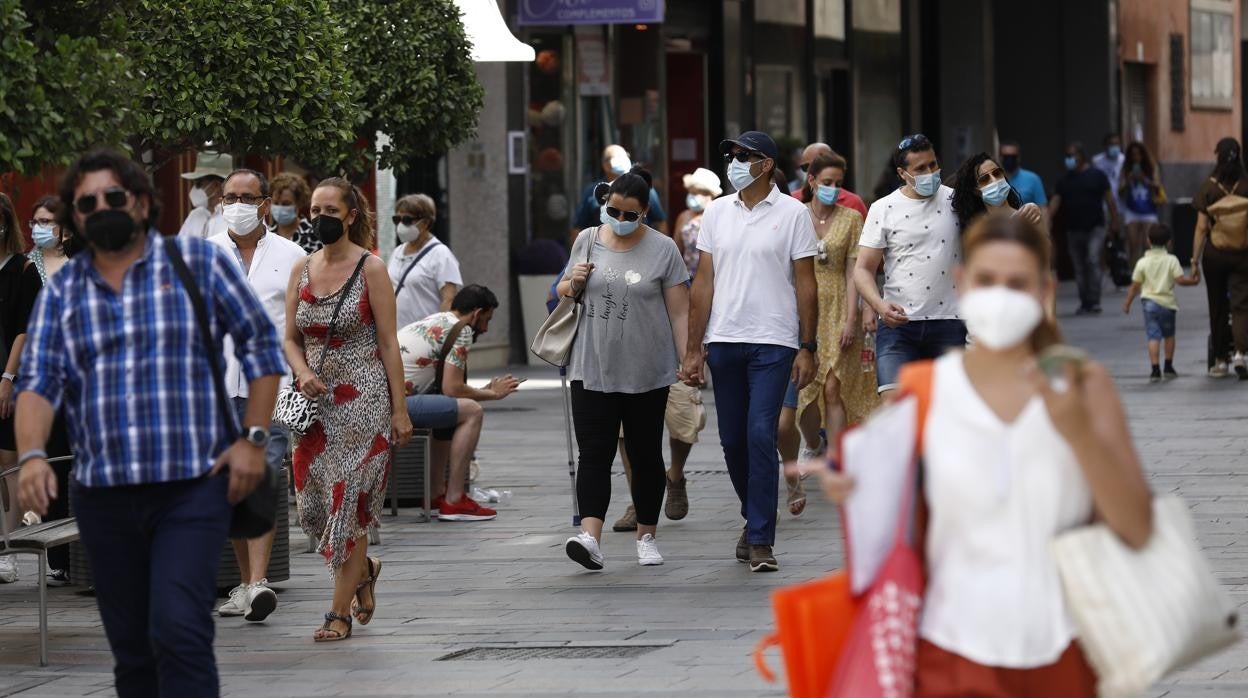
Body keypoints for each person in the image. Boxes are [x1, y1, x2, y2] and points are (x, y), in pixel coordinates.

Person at [822, 213, 1153, 697]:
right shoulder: (926, 390)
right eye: (987, 281)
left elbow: (1136, 525)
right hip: (950, 648)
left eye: (1017, 283)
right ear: (962, 284)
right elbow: (898, 530)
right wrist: (858, 487)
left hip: (1057, 643)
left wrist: (1077, 431)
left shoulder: (1081, 384)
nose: (1000, 295)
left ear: (1044, 289)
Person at [15, 149, 285, 696]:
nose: (101, 208)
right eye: (87, 202)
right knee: (133, 650)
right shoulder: (64, 291)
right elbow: (39, 382)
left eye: (113, 197)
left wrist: (254, 439)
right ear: (75, 216)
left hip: (191, 488)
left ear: (140, 202)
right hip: (104, 494)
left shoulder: (197, 265)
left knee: (179, 629)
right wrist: (32, 454)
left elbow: (261, 345)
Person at [283, 177, 413, 642]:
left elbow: (388, 342)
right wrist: (301, 372)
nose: (321, 218)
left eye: (331, 211)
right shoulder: (302, 267)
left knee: (349, 503)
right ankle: (364, 570)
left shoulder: (371, 268)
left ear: (351, 215)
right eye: (315, 209)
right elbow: (290, 339)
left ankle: (337, 613)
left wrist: (400, 411)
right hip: (314, 405)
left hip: (365, 399)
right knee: (314, 507)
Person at [683, 131, 818, 573]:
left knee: (762, 433)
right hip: (724, 339)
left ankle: (761, 537)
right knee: (731, 440)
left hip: (775, 341)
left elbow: (805, 283)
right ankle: (753, 514)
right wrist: (693, 348)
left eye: (744, 156)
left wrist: (807, 345)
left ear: (765, 165)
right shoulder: (717, 212)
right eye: (731, 155)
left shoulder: (794, 213)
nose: (734, 161)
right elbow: (703, 282)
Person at [558, 167, 689, 571]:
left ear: (644, 213)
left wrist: (690, 360)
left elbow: (680, 311)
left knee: (645, 453)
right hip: (591, 365)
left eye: (630, 214)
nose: (620, 218)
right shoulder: (588, 239)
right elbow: (563, 289)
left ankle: (646, 535)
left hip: (647, 369)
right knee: (594, 453)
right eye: (613, 209)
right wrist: (573, 281)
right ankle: (590, 537)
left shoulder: (664, 248)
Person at [208, 169, 305, 622]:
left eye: (247, 197)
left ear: (264, 203)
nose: (238, 204)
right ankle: (245, 584)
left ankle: (260, 581)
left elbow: (299, 325)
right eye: (231, 197)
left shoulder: (292, 256)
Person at [854, 134, 966, 397]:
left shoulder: (957, 201)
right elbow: (862, 269)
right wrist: (879, 306)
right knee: (897, 410)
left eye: (933, 164)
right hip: (898, 327)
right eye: (921, 168)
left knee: (947, 414)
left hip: (950, 322)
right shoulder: (883, 208)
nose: (930, 172)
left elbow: (995, 221)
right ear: (903, 173)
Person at [792, 152, 881, 484]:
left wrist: (851, 317)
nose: (832, 189)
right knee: (806, 391)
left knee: (833, 387)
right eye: (826, 182)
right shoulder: (795, 216)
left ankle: (838, 460)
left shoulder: (851, 218)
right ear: (812, 181)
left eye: (838, 184)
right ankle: (813, 442)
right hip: (804, 308)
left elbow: (853, 271)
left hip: (839, 308)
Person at [398, 284, 519, 521]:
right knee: (472, 412)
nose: (485, 328)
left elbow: (448, 391)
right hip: (393, 407)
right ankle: (454, 499)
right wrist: (492, 394)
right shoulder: (462, 330)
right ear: (476, 313)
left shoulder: (440, 320)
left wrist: (480, 390)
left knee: (448, 413)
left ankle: (435, 495)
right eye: (487, 319)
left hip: (386, 401)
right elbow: (452, 388)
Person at [19, 194, 74, 583]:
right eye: (35, 221)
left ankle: (83, 550)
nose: (39, 228)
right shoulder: (27, 270)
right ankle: (59, 558)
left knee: (76, 457)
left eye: (47, 222)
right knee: (53, 455)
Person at [0, 192, 42, 584]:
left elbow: (23, 331)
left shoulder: (23, 269)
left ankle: (9, 550)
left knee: (8, 462)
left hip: (6, 374)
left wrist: (8, 378)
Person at [1191, 137, 1248, 379]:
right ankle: (1241, 354)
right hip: (1243, 253)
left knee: (1217, 305)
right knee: (1241, 305)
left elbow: (1201, 227)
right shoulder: (1246, 185)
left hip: (1215, 254)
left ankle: (1221, 360)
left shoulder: (1209, 187)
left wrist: (1194, 261)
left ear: (1217, 156)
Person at [1049, 142, 1121, 315]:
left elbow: (1110, 200)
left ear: (1082, 156)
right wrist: (1045, 220)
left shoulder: (1097, 176)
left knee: (1093, 259)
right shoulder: (1064, 180)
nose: (1069, 160)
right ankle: (1085, 301)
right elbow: (1055, 203)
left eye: (1072, 156)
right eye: (1067, 156)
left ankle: (1094, 300)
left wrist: (1115, 221)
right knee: (1079, 267)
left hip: (1095, 226)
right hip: (1073, 229)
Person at [1123, 225, 1200, 382]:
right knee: (1169, 335)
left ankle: (1155, 369)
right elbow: (1180, 280)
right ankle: (1168, 366)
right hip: (1167, 304)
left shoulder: (1142, 263)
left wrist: (1127, 303)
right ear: (1169, 242)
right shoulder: (1171, 260)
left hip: (1149, 303)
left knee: (1153, 336)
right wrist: (1193, 281)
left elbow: (1135, 286)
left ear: (1148, 241)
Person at [388, 193, 463, 330]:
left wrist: (439, 337)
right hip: (396, 338)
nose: (400, 225)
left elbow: (449, 301)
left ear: (426, 222)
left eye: (406, 220)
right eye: (396, 219)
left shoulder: (441, 254)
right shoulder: (397, 252)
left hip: (424, 339)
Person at [570, 145, 667, 243]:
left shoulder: (644, 189)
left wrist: (658, 249)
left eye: (630, 215)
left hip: (639, 248)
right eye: (612, 211)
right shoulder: (592, 191)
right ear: (604, 164)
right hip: (602, 251)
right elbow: (577, 227)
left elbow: (660, 221)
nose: (620, 219)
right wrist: (580, 254)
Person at [950, 152, 1045, 231]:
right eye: (984, 179)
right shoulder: (977, 230)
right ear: (975, 190)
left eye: (997, 173)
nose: (994, 180)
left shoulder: (1027, 217)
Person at [790, 142, 869, 219]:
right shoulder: (793, 200)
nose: (810, 170)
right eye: (805, 167)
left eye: (818, 165)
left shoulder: (853, 203)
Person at [1119, 141, 1163, 265]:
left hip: (1148, 210)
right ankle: (1135, 275)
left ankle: (1148, 273)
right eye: (1133, 154)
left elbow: (1158, 186)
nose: (1136, 157)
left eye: (1138, 154)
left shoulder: (1151, 167)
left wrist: (1145, 180)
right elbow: (1120, 191)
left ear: (1143, 155)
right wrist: (1128, 181)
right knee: (1133, 245)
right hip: (1132, 211)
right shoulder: (1126, 169)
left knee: (1148, 245)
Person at [672, 167, 721, 278]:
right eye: (691, 192)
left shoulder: (718, 215)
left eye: (698, 193)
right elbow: (676, 251)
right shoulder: (683, 217)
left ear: (710, 195)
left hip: (714, 278)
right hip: (689, 277)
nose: (693, 196)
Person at [177, 151, 231, 239]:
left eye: (199, 184)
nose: (195, 189)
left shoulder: (232, 217)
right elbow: (180, 247)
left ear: (216, 185)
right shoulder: (195, 215)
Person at [268, 172, 321, 254]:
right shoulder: (265, 236)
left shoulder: (315, 236)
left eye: (286, 204)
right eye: (276, 203)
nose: (280, 208)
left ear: (299, 203)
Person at [27, 195, 72, 282]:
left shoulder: (76, 258)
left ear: (62, 224)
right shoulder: (28, 262)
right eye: (35, 222)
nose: (36, 227)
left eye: (44, 221)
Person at [999, 139, 1048, 206]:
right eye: (1006, 157)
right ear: (1000, 157)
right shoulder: (993, 180)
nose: (1010, 160)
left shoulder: (1033, 179)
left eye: (1013, 157)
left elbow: (1043, 209)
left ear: (1018, 157)